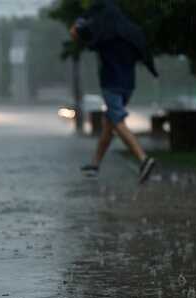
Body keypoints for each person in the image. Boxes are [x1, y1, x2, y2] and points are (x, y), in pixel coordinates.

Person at [70, 0, 157, 183]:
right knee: (109, 124)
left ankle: (143, 159)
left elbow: (76, 33)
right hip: (128, 85)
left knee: (117, 121)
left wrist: (80, 22)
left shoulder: (103, 31)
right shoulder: (129, 31)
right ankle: (95, 165)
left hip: (111, 83)